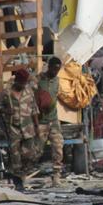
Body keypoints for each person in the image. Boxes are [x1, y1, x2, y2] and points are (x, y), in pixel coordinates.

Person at [0, 69, 40, 191]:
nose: (23, 85)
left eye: (25, 83)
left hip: (28, 128)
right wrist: (5, 111)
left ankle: (21, 175)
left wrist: (37, 127)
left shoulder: (28, 91)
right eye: (21, 83)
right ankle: (18, 181)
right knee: (16, 158)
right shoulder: (7, 92)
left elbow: (34, 109)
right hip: (13, 129)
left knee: (30, 155)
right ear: (16, 81)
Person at [36, 57, 64, 187]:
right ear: (49, 67)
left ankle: (56, 176)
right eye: (54, 69)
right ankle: (24, 175)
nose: (56, 72)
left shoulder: (57, 81)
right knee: (36, 150)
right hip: (41, 121)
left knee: (58, 148)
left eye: (58, 69)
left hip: (53, 120)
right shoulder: (38, 79)